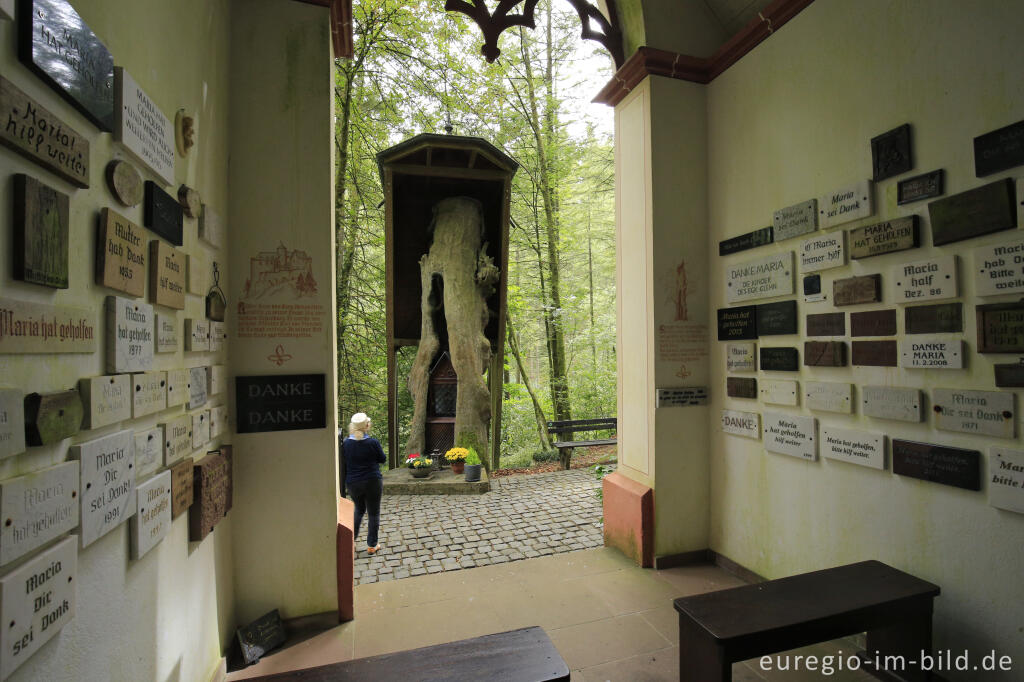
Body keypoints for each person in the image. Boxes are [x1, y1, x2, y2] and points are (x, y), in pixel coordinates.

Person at [342, 412, 386, 554]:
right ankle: (372, 545)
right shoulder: (372, 442)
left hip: (353, 482)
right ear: (367, 425)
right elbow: (382, 459)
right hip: (372, 480)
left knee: (359, 510)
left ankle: (350, 542)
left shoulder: (346, 443)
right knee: (373, 513)